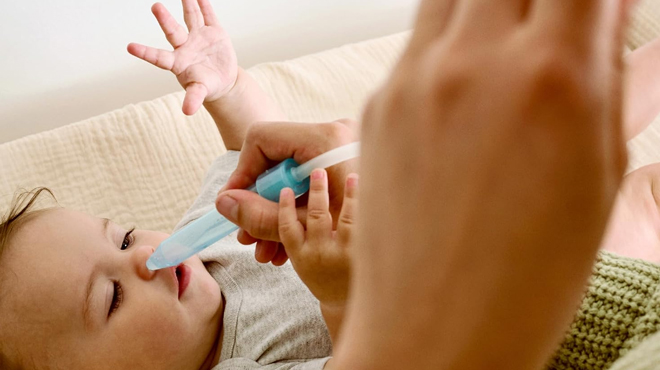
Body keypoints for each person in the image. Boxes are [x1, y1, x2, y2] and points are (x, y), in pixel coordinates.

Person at [0, 1, 658, 370]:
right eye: (110, 297)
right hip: (513, 307)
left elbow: (256, 156)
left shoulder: (206, 240)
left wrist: (228, 88)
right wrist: (343, 299)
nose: (144, 256)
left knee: (634, 181)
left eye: (119, 235)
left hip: (471, 234)